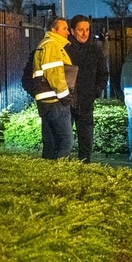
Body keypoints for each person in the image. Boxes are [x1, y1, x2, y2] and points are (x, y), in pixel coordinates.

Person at [65, 15, 109, 163]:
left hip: (86, 101)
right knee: (66, 141)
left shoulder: (95, 50)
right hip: (67, 102)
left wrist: (95, 92)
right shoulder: (65, 49)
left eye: (87, 30)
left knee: (86, 143)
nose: (84, 33)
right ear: (72, 30)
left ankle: (85, 171)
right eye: (81, 30)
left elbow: (103, 74)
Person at [33, 16, 75, 159]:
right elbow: (54, 74)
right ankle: (60, 175)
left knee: (51, 144)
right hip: (55, 100)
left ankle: (49, 174)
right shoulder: (51, 45)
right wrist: (65, 96)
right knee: (67, 141)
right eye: (64, 29)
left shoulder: (47, 44)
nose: (68, 32)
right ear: (53, 30)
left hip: (48, 101)